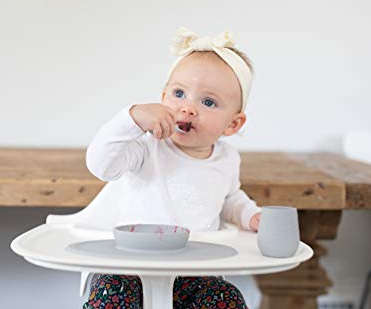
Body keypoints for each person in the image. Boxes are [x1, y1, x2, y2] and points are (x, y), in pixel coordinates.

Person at [82, 27, 261, 309]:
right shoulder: (146, 146)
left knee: (228, 299)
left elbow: (229, 199)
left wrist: (250, 215)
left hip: (196, 273)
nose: (188, 108)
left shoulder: (227, 159)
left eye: (208, 102)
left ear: (233, 124)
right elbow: (100, 164)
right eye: (179, 93)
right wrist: (132, 118)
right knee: (110, 292)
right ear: (163, 96)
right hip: (130, 267)